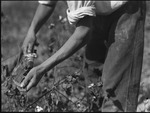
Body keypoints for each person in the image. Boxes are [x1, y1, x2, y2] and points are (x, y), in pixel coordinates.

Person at [2, 1, 146, 112]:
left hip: (126, 8)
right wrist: (31, 31)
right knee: (94, 87)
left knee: (116, 96)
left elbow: (82, 34)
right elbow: (48, 2)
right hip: (96, 9)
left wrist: (42, 68)